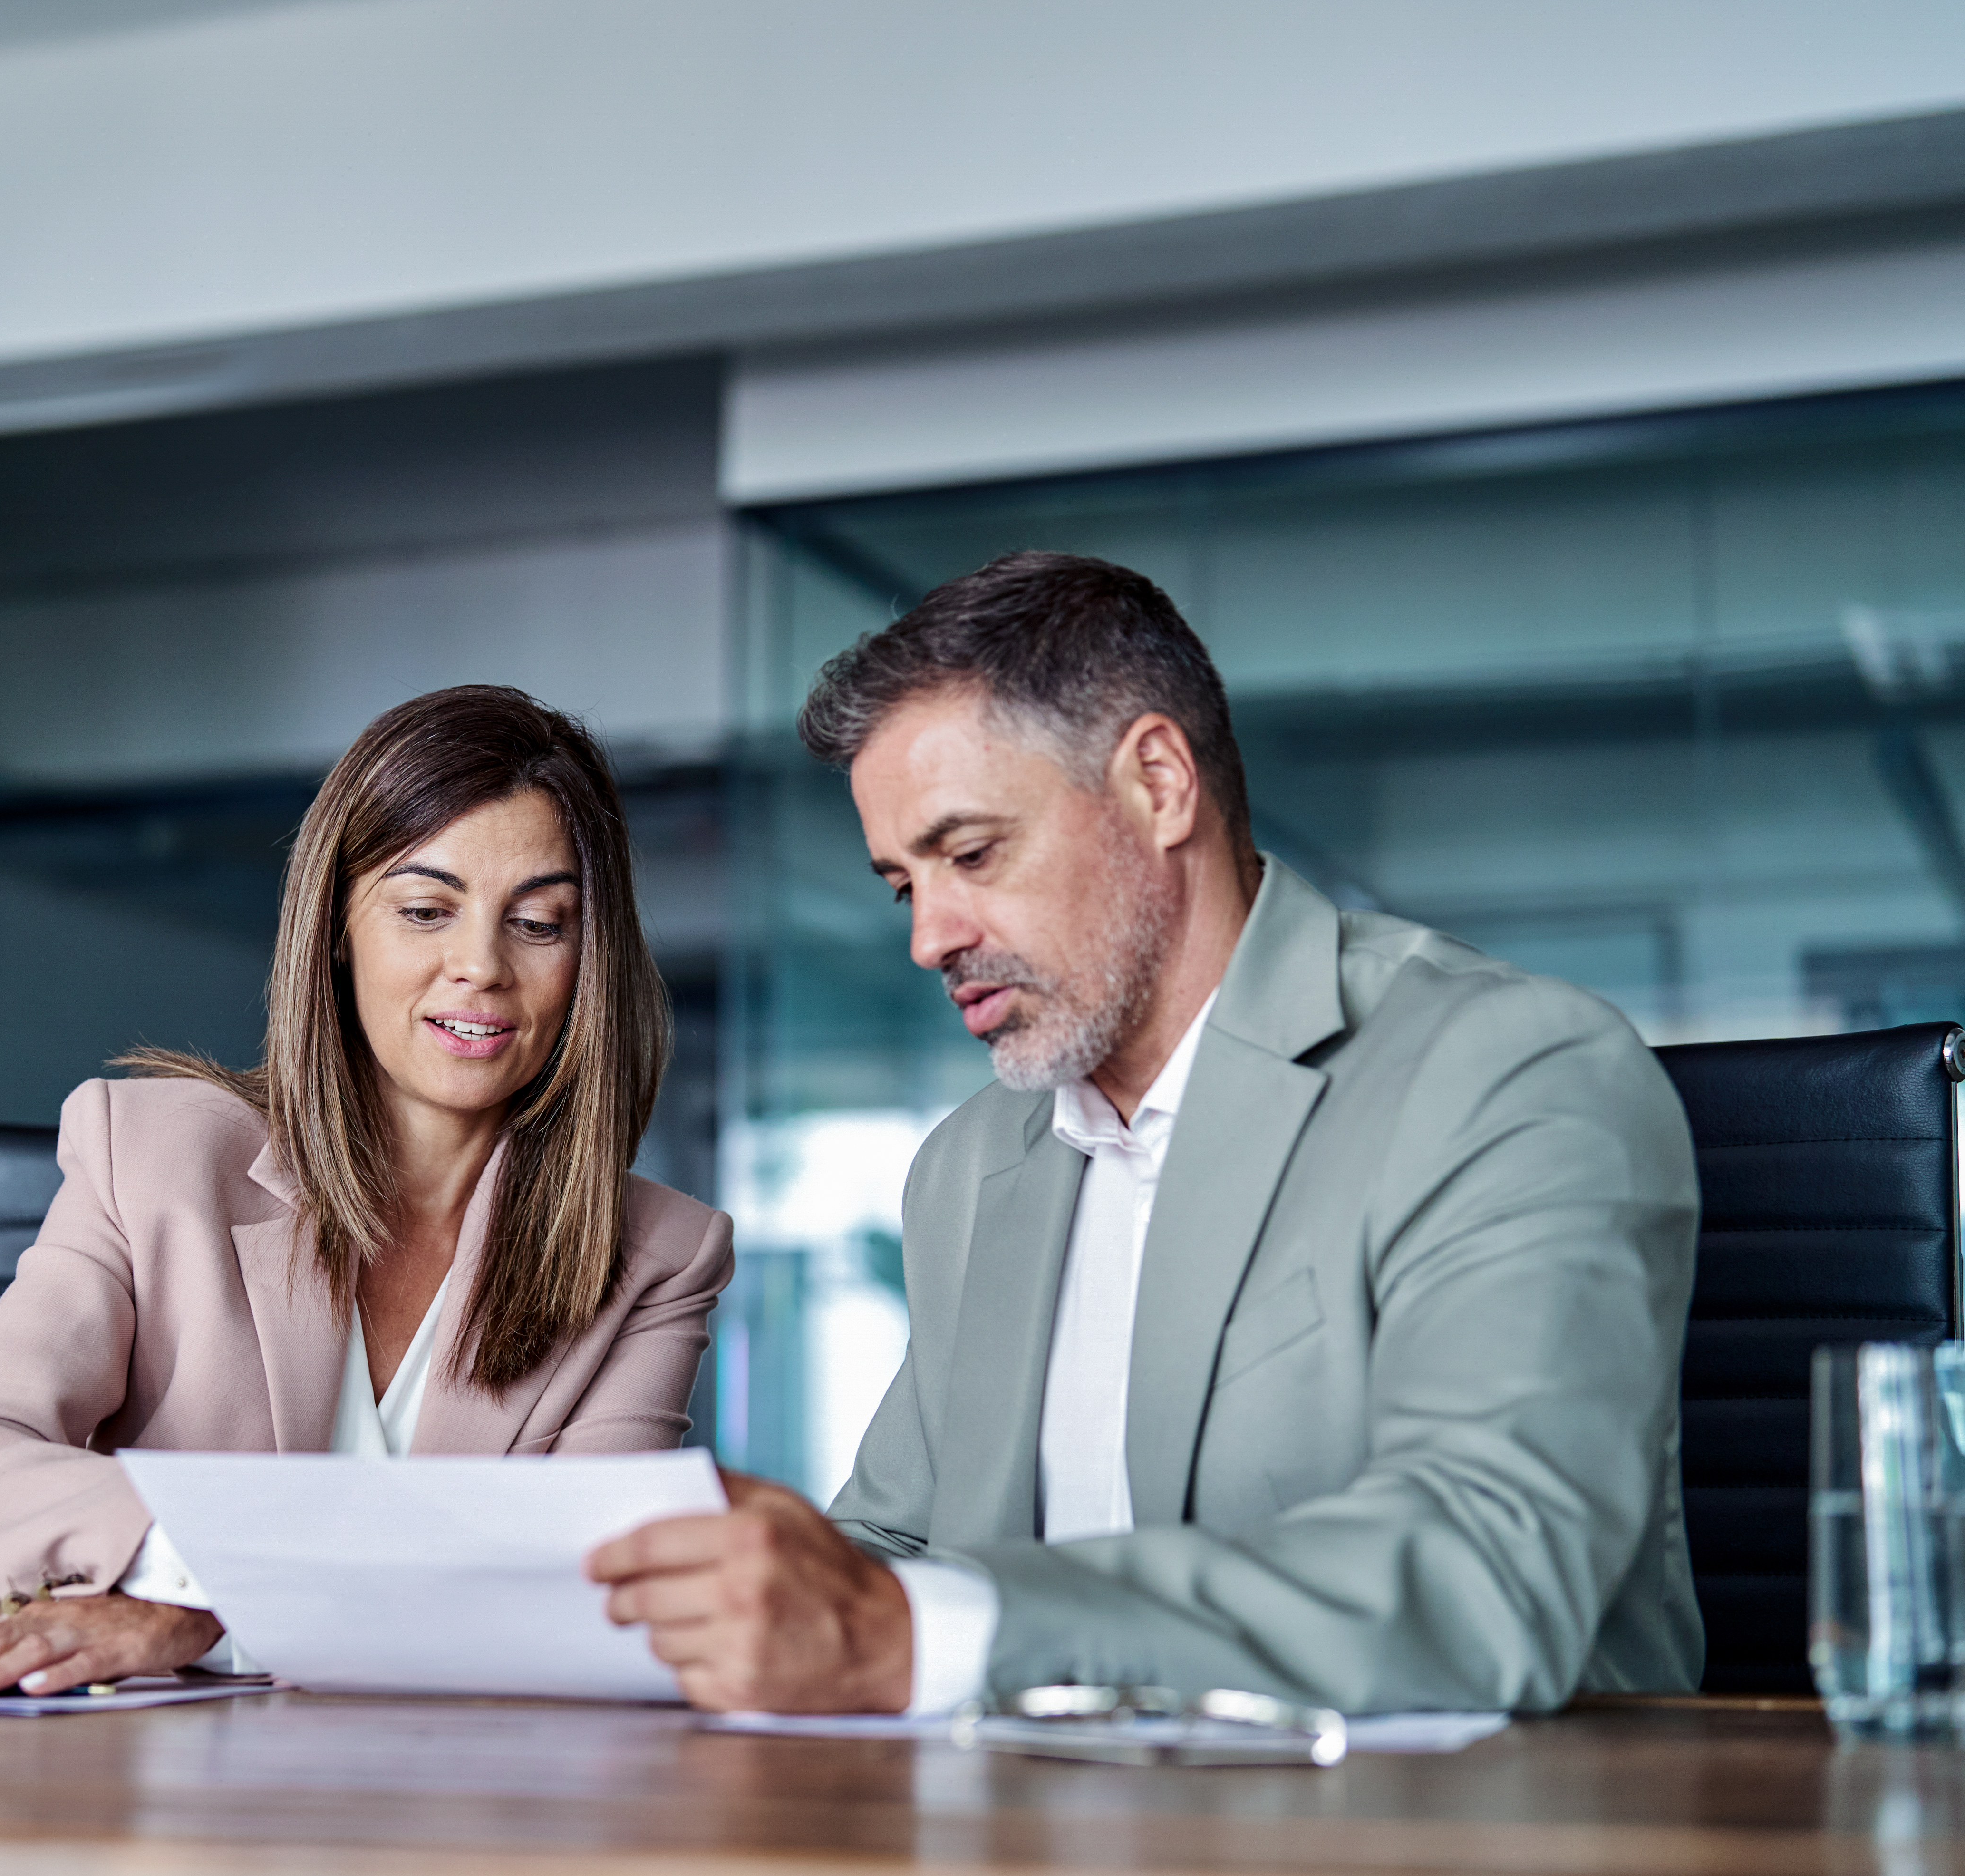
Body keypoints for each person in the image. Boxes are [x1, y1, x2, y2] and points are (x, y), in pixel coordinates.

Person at [591, 551, 1703, 1716]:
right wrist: (752, 1582)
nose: (929, 935)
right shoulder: (969, 1168)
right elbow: (896, 1548)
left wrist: (932, 1630)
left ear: (1159, 783)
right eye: (901, 884)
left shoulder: (1505, 1072)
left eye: (970, 853)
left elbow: (1486, 1575)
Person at [0, 684, 733, 1699]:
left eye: (539, 924)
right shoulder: (146, 1153)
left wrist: (229, 1599)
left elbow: (593, 1603)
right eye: (424, 910)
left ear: (588, 960)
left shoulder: (659, 1255)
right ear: (337, 928)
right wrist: (191, 1581)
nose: (480, 966)